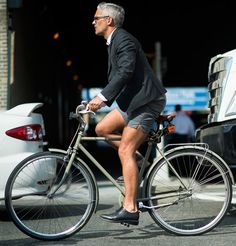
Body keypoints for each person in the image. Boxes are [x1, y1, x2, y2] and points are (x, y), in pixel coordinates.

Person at [87, 2, 167, 226]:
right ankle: (139, 161)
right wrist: (96, 100)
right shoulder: (113, 42)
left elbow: (125, 72)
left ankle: (131, 209)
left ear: (108, 20)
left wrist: (102, 98)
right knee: (102, 128)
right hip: (133, 101)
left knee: (125, 149)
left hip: (147, 101)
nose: (93, 21)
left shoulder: (124, 40)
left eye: (96, 17)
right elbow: (120, 78)